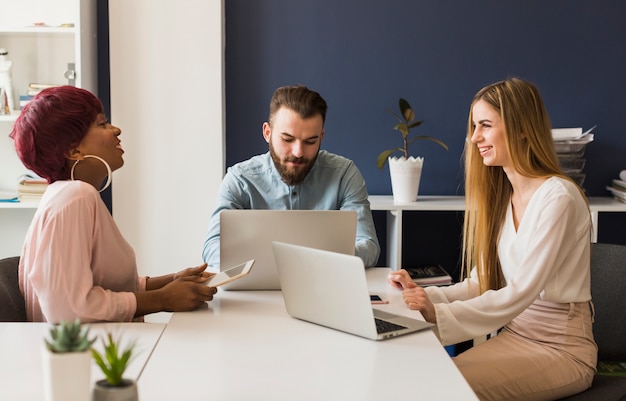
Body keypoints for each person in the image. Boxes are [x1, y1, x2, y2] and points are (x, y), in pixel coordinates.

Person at [387, 78, 596, 400]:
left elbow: (521, 291)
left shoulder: (558, 197)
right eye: (474, 126)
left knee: (440, 390)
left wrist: (435, 313)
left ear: (522, 128)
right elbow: (481, 282)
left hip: (560, 349)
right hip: (515, 335)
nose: (474, 138)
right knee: (421, 379)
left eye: (485, 125)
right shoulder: (505, 198)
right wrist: (425, 295)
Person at [11, 85, 217, 323]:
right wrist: (162, 299)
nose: (116, 130)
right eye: (102, 124)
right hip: (94, 355)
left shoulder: (65, 195)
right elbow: (69, 308)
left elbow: (100, 284)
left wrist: (169, 282)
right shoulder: (75, 197)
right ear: (74, 150)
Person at [202, 84, 380, 269]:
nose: (298, 152)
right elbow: (213, 247)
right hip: (255, 291)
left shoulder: (344, 174)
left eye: (311, 141)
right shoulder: (240, 180)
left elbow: (368, 245)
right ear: (267, 133)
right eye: (287, 139)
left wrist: (314, 260)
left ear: (321, 136)